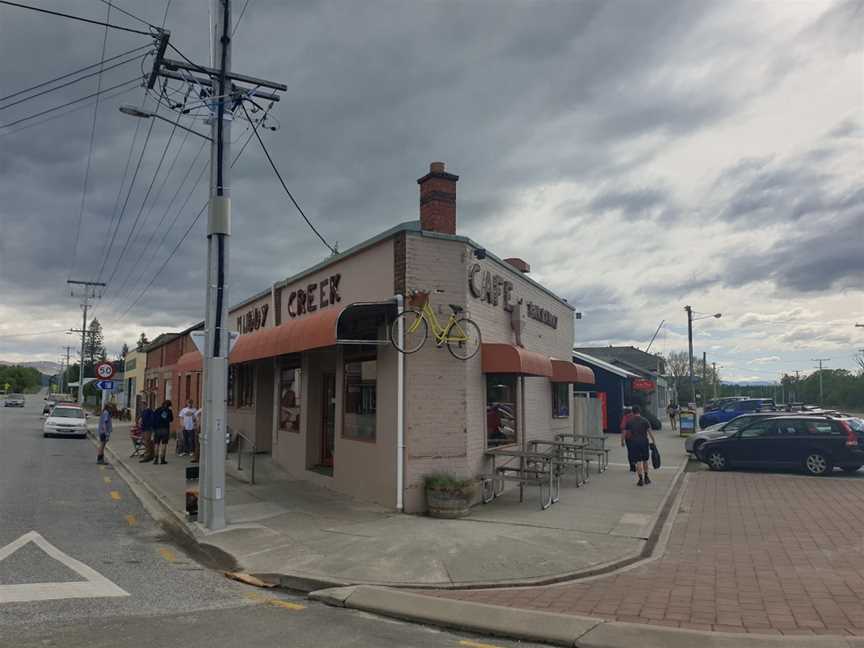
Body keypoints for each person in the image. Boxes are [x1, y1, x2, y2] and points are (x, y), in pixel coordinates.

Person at [624, 405, 656, 486]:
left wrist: (622, 441)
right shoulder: (645, 420)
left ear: (632, 412)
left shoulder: (630, 421)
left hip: (634, 443)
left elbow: (625, 432)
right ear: (639, 412)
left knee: (638, 461)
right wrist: (654, 441)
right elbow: (650, 432)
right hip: (644, 442)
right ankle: (646, 477)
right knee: (645, 460)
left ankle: (640, 479)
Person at [153, 400, 173, 465]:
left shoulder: (157, 409)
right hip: (165, 429)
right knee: (164, 444)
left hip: (157, 429)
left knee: (156, 444)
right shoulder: (169, 411)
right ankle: (162, 460)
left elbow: (154, 418)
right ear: (169, 405)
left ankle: (156, 459)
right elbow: (171, 420)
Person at [620, 406, 635, 472]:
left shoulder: (625, 418)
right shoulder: (635, 416)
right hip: (636, 437)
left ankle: (632, 467)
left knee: (630, 452)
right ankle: (637, 465)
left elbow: (624, 430)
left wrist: (622, 440)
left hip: (629, 438)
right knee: (636, 452)